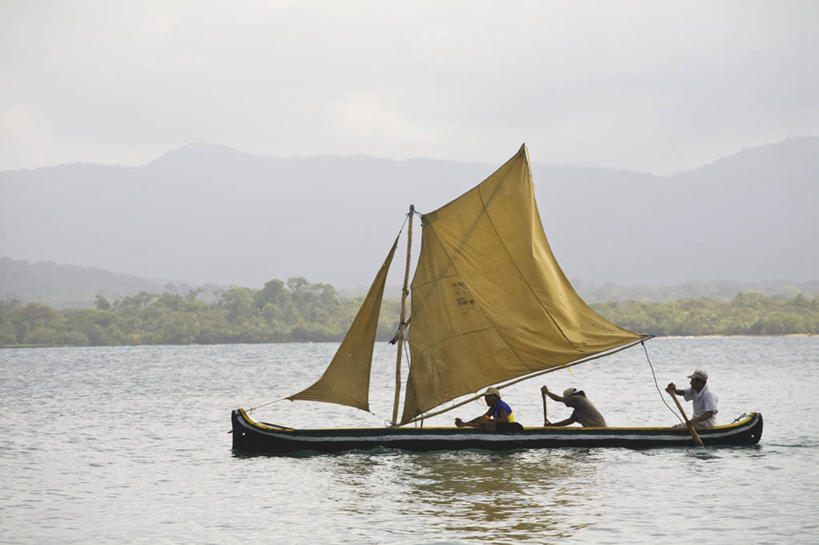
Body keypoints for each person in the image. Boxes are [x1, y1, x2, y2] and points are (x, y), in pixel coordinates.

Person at [455, 387, 520, 432]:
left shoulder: (501, 406)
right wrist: (466, 423)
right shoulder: (493, 407)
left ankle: (466, 425)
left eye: (489, 396)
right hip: (499, 426)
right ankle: (465, 424)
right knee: (481, 419)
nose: (486, 399)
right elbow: (485, 417)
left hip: (509, 427)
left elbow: (505, 420)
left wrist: (490, 420)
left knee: (486, 424)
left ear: (496, 397)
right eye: (485, 396)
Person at [541, 385, 607, 427]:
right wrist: (552, 426)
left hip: (597, 429)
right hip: (601, 427)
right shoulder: (579, 407)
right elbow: (570, 421)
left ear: (570, 397)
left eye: (567, 398)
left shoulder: (576, 399)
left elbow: (558, 399)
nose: (567, 401)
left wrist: (547, 392)